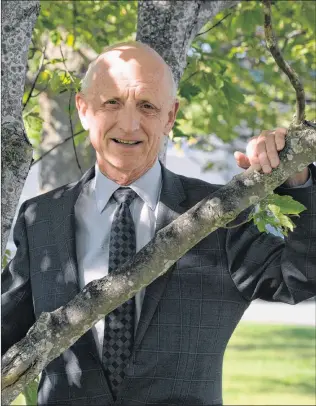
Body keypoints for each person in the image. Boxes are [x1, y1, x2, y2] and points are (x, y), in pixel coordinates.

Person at [2, 41, 315, 406]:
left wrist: (299, 180)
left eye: (148, 106)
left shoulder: (221, 213)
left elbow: (302, 280)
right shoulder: (41, 216)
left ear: (170, 117)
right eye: (112, 103)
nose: (129, 124)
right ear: (84, 109)